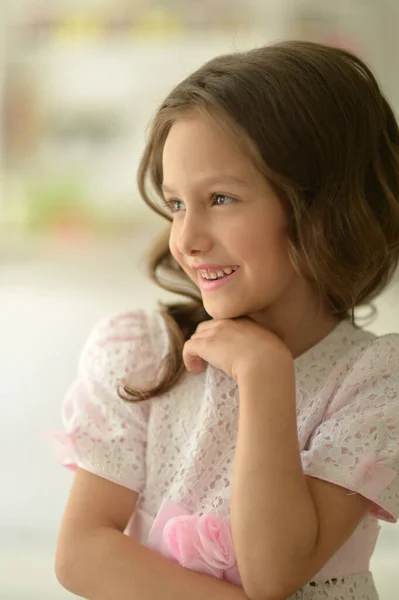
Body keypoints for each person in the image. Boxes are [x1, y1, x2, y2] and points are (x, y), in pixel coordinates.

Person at [47, 40, 399, 600]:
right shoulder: (143, 351)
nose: (186, 239)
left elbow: (273, 572)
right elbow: (82, 552)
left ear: (325, 209)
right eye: (178, 204)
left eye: (221, 199)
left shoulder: (375, 380)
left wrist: (264, 374)